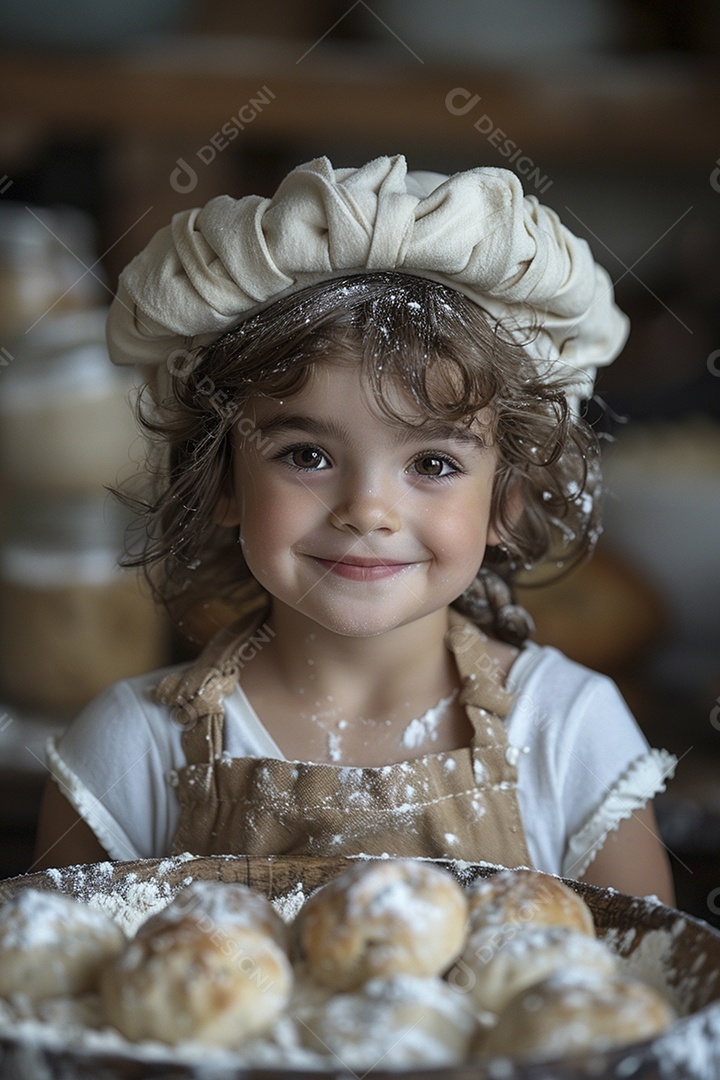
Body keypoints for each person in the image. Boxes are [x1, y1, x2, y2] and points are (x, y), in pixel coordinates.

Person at [34, 155, 676, 902]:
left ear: (506, 500)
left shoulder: (569, 733)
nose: (367, 509)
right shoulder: (131, 748)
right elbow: (52, 996)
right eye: (306, 455)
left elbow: (644, 987)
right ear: (220, 479)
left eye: (433, 463)